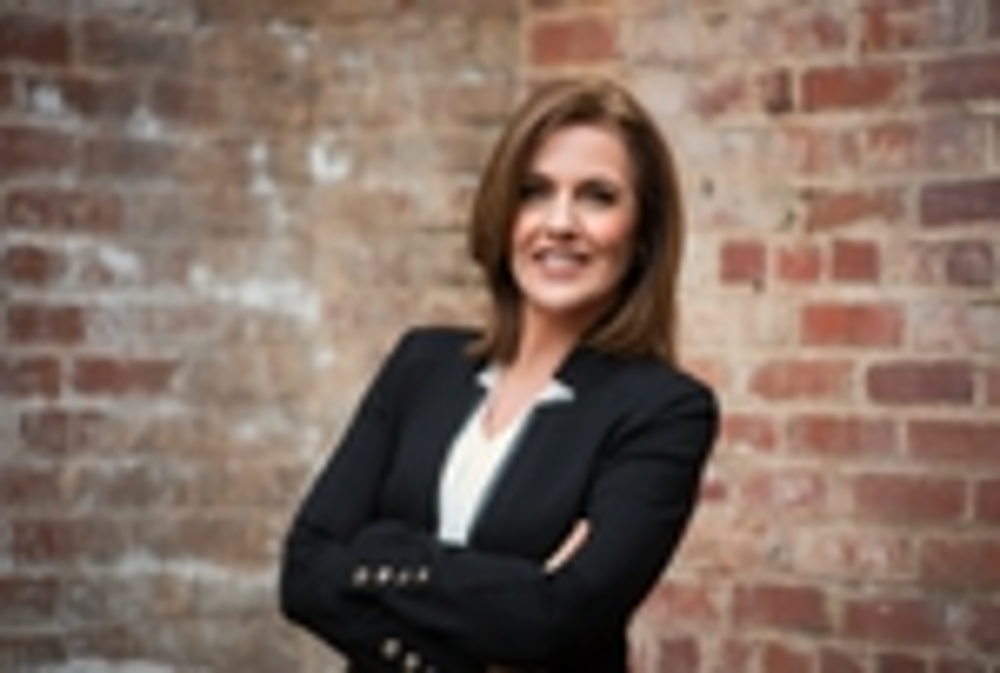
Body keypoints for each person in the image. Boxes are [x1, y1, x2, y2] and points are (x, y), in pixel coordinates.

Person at [279, 77, 719, 673]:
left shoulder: (664, 411)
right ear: (503, 212)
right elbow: (303, 573)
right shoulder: (421, 364)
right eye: (534, 192)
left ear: (643, 233)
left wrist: (379, 552)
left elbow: (560, 622)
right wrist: (512, 597)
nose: (559, 222)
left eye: (597, 197)